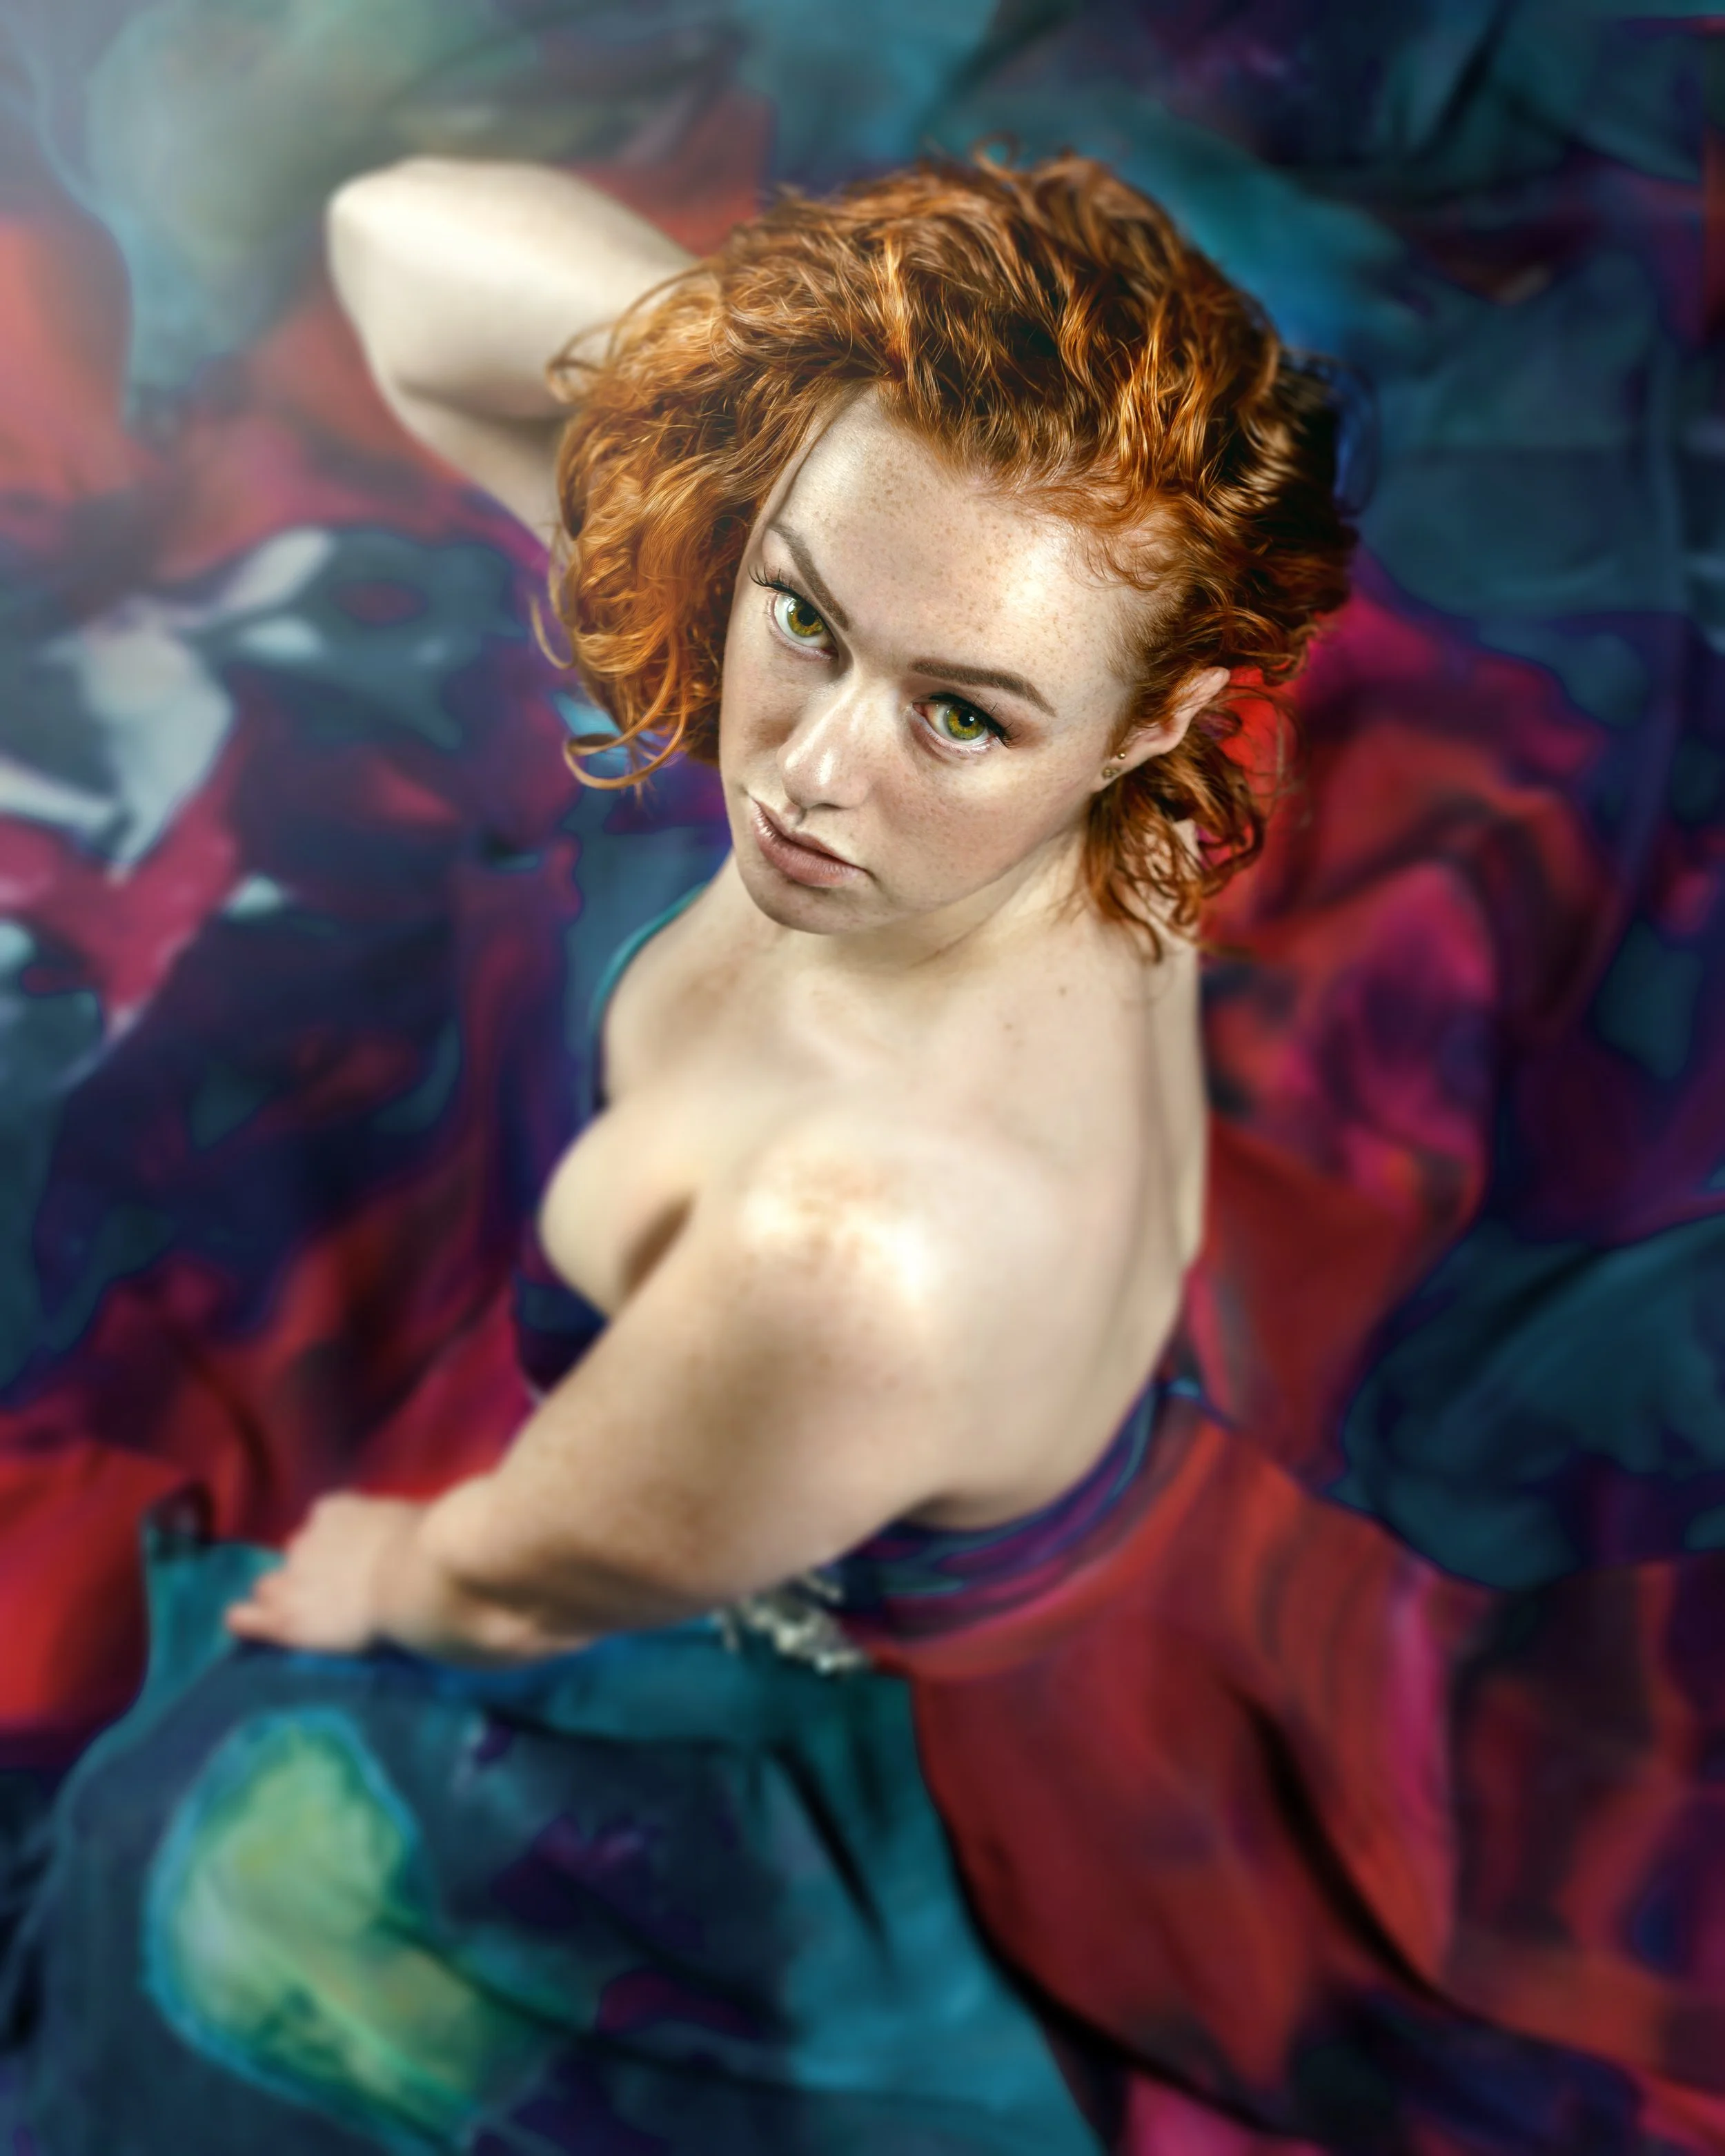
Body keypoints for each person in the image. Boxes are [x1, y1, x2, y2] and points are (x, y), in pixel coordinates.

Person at [0, 151, 1350, 2155]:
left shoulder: (855, 1241)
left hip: (782, 1733)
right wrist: (774, 386)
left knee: (179, 1873)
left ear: (1164, 721)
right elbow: (387, 246)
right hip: (822, 1409)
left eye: (960, 718)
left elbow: (505, 1578)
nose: (809, 767)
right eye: (803, 616)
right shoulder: (1066, 742)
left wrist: (386, 1570)